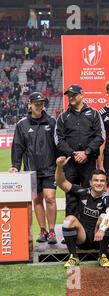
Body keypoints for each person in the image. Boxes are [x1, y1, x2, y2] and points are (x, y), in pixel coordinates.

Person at [56, 156, 109, 269]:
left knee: (105, 217)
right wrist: (59, 166)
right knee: (69, 219)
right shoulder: (83, 192)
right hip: (83, 237)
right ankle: (73, 257)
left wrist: (102, 229)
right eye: (96, 180)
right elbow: (62, 183)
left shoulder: (108, 198)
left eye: (102, 181)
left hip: (100, 237)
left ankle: (102, 255)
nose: (99, 183)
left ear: (105, 183)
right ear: (90, 182)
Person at [9, 92, 58, 244]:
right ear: (29, 104)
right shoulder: (22, 124)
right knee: (37, 201)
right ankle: (42, 230)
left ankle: (51, 231)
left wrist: (60, 165)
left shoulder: (51, 121)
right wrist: (15, 166)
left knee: (50, 198)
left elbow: (57, 145)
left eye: (41, 103)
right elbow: (17, 147)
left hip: (50, 168)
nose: (39, 106)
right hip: (31, 170)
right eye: (36, 103)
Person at [55, 84, 105, 218]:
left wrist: (86, 152)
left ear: (81, 95)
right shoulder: (63, 116)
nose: (70, 97)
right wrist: (73, 154)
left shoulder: (94, 113)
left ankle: (88, 226)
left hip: (89, 162)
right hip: (70, 163)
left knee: (91, 193)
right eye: (68, 95)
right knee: (71, 196)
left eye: (73, 95)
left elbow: (100, 136)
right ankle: (70, 231)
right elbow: (58, 139)